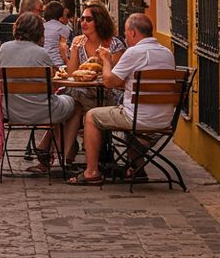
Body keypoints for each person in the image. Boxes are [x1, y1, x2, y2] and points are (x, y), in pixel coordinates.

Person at [70, 13, 176, 186]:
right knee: (128, 110)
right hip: (164, 119)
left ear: (133, 33)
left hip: (137, 119)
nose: (125, 37)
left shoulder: (134, 52)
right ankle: (136, 167)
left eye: (126, 33)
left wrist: (105, 59)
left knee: (91, 116)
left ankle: (91, 172)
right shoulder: (167, 53)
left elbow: (110, 82)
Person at [61, 0, 124, 169]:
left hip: (108, 93)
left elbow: (116, 78)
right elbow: (71, 74)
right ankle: (68, 157)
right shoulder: (79, 43)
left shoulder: (114, 44)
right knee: (72, 100)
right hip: (84, 93)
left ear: (99, 22)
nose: (83, 23)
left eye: (88, 19)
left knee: (72, 100)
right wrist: (73, 50)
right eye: (82, 19)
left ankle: (67, 155)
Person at [0, 12, 75, 148]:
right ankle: (65, 153)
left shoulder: (4, 49)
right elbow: (52, 87)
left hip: (10, 111)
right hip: (42, 111)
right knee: (73, 102)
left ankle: (47, 149)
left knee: (57, 106)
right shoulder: (41, 53)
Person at [43, 0, 72, 68]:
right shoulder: (64, 28)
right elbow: (64, 48)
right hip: (59, 63)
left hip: (44, 63)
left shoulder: (41, 26)